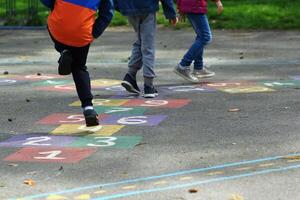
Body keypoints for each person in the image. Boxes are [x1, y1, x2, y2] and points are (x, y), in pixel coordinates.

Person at [40, 0, 114, 126]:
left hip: (58, 28)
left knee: (54, 28)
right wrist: (94, 33)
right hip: (81, 33)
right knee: (79, 67)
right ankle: (88, 108)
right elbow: (107, 14)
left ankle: (63, 50)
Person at [113, 0, 178, 98]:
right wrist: (171, 13)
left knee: (140, 41)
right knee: (148, 46)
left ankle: (130, 76)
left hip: (129, 7)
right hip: (147, 6)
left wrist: (122, 6)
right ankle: (148, 86)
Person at [174, 0, 223, 83]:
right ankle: (183, 65)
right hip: (195, 6)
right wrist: (217, 1)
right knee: (205, 37)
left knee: (201, 36)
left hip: (189, 5)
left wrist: (180, 7)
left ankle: (198, 67)